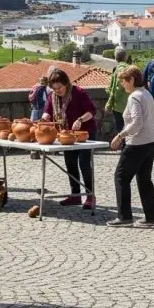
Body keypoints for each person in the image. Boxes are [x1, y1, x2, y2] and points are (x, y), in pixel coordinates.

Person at [107, 66, 154, 227]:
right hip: (152, 140)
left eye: (123, 81)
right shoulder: (146, 93)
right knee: (144, 180)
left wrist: (120, 135)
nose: (122, 84)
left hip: (138, 143)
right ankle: (152, 217)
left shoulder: (134, 97)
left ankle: (124, 217)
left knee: (121, 177)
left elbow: (137, 123)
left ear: (131, 80)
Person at [42, 68, 98, 208]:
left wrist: (80, 119)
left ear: (66, 83)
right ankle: (75, 195)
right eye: (54, 89)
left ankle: (90, 196)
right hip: (66, 135)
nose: (57, 91)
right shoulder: (52, 97)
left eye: (59, 87)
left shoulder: (78, 93)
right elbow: (47, 114)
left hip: (85, 133)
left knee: (84, 163)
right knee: (70, 163)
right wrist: (43, 120)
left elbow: (92, 111)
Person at [105, 48, 130, 134]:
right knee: (128, 129)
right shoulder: (129, 68)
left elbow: (115, 89)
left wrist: (109, 104)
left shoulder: (117, 70)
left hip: (119, 106)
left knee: (121, 130)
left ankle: (124, 147)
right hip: (129, 103)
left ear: (115, 58)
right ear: (125, 57)